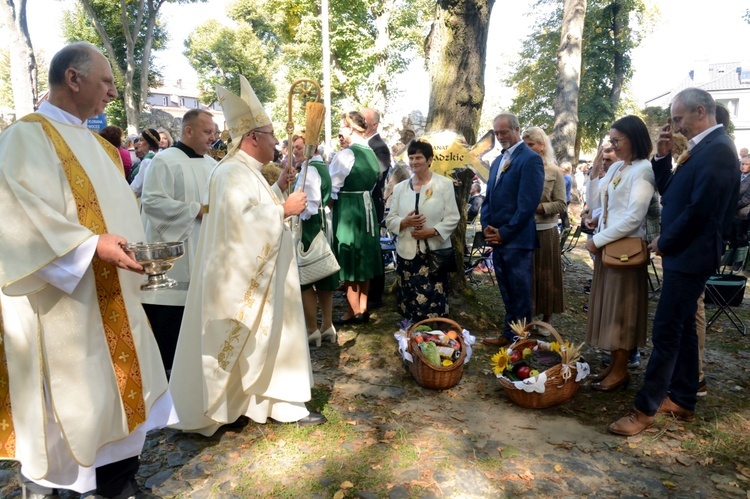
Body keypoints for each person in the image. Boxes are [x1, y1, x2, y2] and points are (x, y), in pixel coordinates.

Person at [0, 41, 174, 498]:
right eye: (107, 81)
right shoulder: (26, 136)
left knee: (116, 394)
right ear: (73, 79)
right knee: (75, 401)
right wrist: (89, 245)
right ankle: (67, 486)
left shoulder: (98, 146)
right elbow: (16, 214)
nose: (113, 93)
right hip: (64, 301)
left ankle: (120, 480)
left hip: (114, 292)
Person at [168, 75, 325, 435]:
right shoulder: (231, 173)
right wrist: (283, 209)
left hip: (264, 274)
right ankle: (253, 403)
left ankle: (276, 402)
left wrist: (275, 190)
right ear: (253, 138)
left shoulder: (245, 171)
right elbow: (239, 225)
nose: (277, 142)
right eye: (271, 135)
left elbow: (250, 207)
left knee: (271, 340)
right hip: (244, 280)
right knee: (260, 339)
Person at [610, 88, 739, 436]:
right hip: (686, 253)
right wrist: (663, 156)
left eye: (679, 119)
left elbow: (700, 213)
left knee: (666, 330)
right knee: (680, 329)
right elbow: (672, 191)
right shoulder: (703, 149)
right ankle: (682, 398)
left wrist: (664, 240)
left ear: (701, 111)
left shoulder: (718, 152)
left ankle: (645, 409)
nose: (676, 127)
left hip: (692, 255)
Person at [139, 109, 217, 374]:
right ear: (188, 131)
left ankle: (197, 378)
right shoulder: (165, 161)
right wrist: (195, 209)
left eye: (213, 132)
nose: (213, 137)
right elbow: (152, 202)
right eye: (207, 132)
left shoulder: (213, 165)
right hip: (174, 259)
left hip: (204, 252)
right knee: (171, 326)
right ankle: (168, 382)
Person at [583, 115, 655, 392]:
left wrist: (597, 240)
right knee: (610, 309)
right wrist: (595, 217)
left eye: (616, 141)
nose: (611, 147)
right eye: (609, 142)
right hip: (609, 248)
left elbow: (634, 217)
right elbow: (599, 203)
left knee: (622, 311)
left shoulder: (643, 170)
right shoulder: (617, 169)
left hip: (624, 253)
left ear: (634, 139)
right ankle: (614, 366)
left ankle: (621, 369)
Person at [481, 113, 544, 347]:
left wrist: (505, 232)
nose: (500, 137)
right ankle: (509, 333)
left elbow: (527, 204)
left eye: (504, 132)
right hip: (496, 237)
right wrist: (486, 226)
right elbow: (489, 197)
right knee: (506, 290)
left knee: (520, 292)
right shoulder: (498, 161)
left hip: (517, 240)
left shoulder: (530, 159)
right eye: (496, 133)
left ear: (517, 129)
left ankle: (522, 340)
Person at [385, 139, 460, 320]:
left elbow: (453, 217)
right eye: (411, 158)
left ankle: (434, 333)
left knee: (434, 298)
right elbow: (390, 220)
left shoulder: (444, 184)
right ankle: (412, 335)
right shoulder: (400, 188)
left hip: (434, 254)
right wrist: (404, 222)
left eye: (418, 157)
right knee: (409, 298)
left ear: (429, 160)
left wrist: (432, 231)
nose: (414, 162)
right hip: (408, 255)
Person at [330, 111, 383, 324]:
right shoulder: (370, 152)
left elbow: (332, 187)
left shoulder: (346, 155)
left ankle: (355, 311)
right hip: (366, 207)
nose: (340, 132)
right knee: (364, 259)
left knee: (350, 258)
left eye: (342, 127)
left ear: (350, 128)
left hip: (349, 209)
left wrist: (326, 209)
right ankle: (361, 307)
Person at [293, 133, 339, 347]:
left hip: (310, 225)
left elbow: (308, 205)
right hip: (322, 222)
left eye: (300, 147)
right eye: (294, 148)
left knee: (306, 278)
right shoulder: (320, 166)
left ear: (312, 148)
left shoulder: (311, 169)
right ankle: (327, 325)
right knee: (323, 277)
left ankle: (313, 329)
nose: (296, 151)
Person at [522, 127, 566, 326]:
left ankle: (546, 320)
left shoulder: (554, 171)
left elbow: (562, 203)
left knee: (547, 275)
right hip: (522, 229)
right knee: (527, 276)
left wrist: (539, 207)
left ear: (542, 146)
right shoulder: (519, 167)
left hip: (545, 229)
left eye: (531, 144)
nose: (527, 148)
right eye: (525, 145)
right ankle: (526, 318)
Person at [361, 108, 391, 310]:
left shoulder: (379, 147)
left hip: (371, 203)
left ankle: (374, 294)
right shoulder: (363, 145)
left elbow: (376, 175)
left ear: (374, 124)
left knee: (373, 249)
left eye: (364, 120)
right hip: (361, 203)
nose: (360, 123)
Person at [129, 127, 160, 195]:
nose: (138, 143)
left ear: (150, 142)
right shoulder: (162, 155)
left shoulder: (148, 160)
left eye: (141, 140)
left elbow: (137, 186)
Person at [559, 161, 573, 228]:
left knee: (564, 216)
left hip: (565, 198)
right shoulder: (567, 176)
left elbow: (562, 186)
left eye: (561, 167)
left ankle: (566, 228)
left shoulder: (566, 177)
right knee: (563, 215)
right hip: (566, 198)